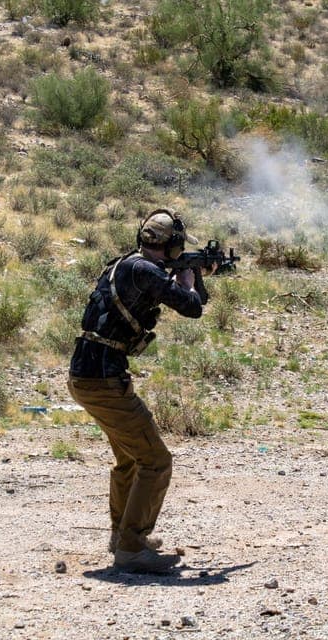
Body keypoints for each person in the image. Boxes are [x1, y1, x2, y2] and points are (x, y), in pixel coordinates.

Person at [67, 208, 208, 574]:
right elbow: (192, 307)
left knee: (131, 459)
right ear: (172, 244)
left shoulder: (127, 265)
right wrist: (189, 280)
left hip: (90, 376)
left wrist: (191, 275)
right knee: (156, 461)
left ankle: (123, 536)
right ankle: (131, 547)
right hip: (103, 380)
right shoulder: (146, 270)